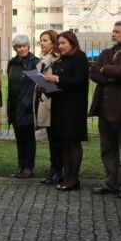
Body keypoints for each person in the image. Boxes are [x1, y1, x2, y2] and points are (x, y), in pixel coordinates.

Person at [88, 20, 121, 197]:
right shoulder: (106, 52)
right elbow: (94, 73)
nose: (113, 34)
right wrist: (110, 74)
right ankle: (110, 183)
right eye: (113, 31)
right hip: (104, 110)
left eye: (117, 31)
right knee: (107, 149)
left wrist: (107, 70)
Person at [48, 31, 89, 191]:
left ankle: (74, 178)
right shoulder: (60, 61)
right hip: (60, 106)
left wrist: (57, 79)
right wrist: (46, 87)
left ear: (72, 43)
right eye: (59, 43)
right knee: (64, 143)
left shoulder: (80, 58)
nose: (60, 46)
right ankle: (66, 177)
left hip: (74, 108)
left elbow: (78, 81)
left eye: (63, 43)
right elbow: (59, 85)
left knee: (73, 142)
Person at [6, 35, 39, 178]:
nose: (22, 49)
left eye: (24, 45)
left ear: (29, 46)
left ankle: (29, 167)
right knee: (19, 139)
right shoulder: (12, 63)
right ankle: (21, 166)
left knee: (29, 139)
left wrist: (27, 103)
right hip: (14, 106)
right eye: (19, 46)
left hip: (27, 107)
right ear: (15, 48)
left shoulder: (35, 63)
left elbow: (38, 85)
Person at [35, 30, 61, 185]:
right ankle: (53, 170)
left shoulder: (57, 59)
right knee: (51, 140)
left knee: (57, 140)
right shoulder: (43, 59)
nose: (42, 43)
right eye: (41, 41)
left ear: (53, 42)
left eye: (45, 40)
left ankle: (59, 170)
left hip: (55, 103)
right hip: (45, 100)